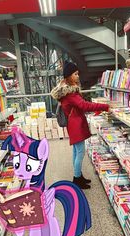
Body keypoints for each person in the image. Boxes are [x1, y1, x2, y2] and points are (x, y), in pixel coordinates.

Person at [51, 61, 109, 189]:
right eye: (75, 74)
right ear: (69, 76)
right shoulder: (70, 93)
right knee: (80, 152)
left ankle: (78, 176)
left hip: (73, 124)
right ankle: (77, 179)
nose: (78, 76)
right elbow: (84, 105)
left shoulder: (65, 91)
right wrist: (105, 106)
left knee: (76, 152)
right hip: (76, 125)